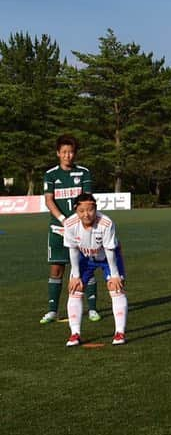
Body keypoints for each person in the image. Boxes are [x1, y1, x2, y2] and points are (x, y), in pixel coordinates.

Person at [42, 134, 99, 324]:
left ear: (75, 154)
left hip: (81, 229)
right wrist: (62, 219)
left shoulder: (83, 173)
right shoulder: (51, 175)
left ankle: (92, 310)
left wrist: (78, 220)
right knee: (57, 268)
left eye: (71, 152)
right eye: (64, 152)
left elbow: (87, 200)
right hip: (58, 229)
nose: (68, 155)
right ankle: (52, 311)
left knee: (86, 268)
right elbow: (49, 200)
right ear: (58, 153)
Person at [63, 193, 128, 346]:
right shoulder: (70, 224)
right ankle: (75, 334)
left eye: (90, 210)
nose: (86, 214)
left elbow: (110, 250)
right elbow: (72, 250)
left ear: (96, 209)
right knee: (75, 288)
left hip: (107, 256)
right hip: (85, 257)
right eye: (82, 211)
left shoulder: (106, 223)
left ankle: (119, 333)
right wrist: (75, 275)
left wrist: (115, 275)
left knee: (115, 287)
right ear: (76, 210)